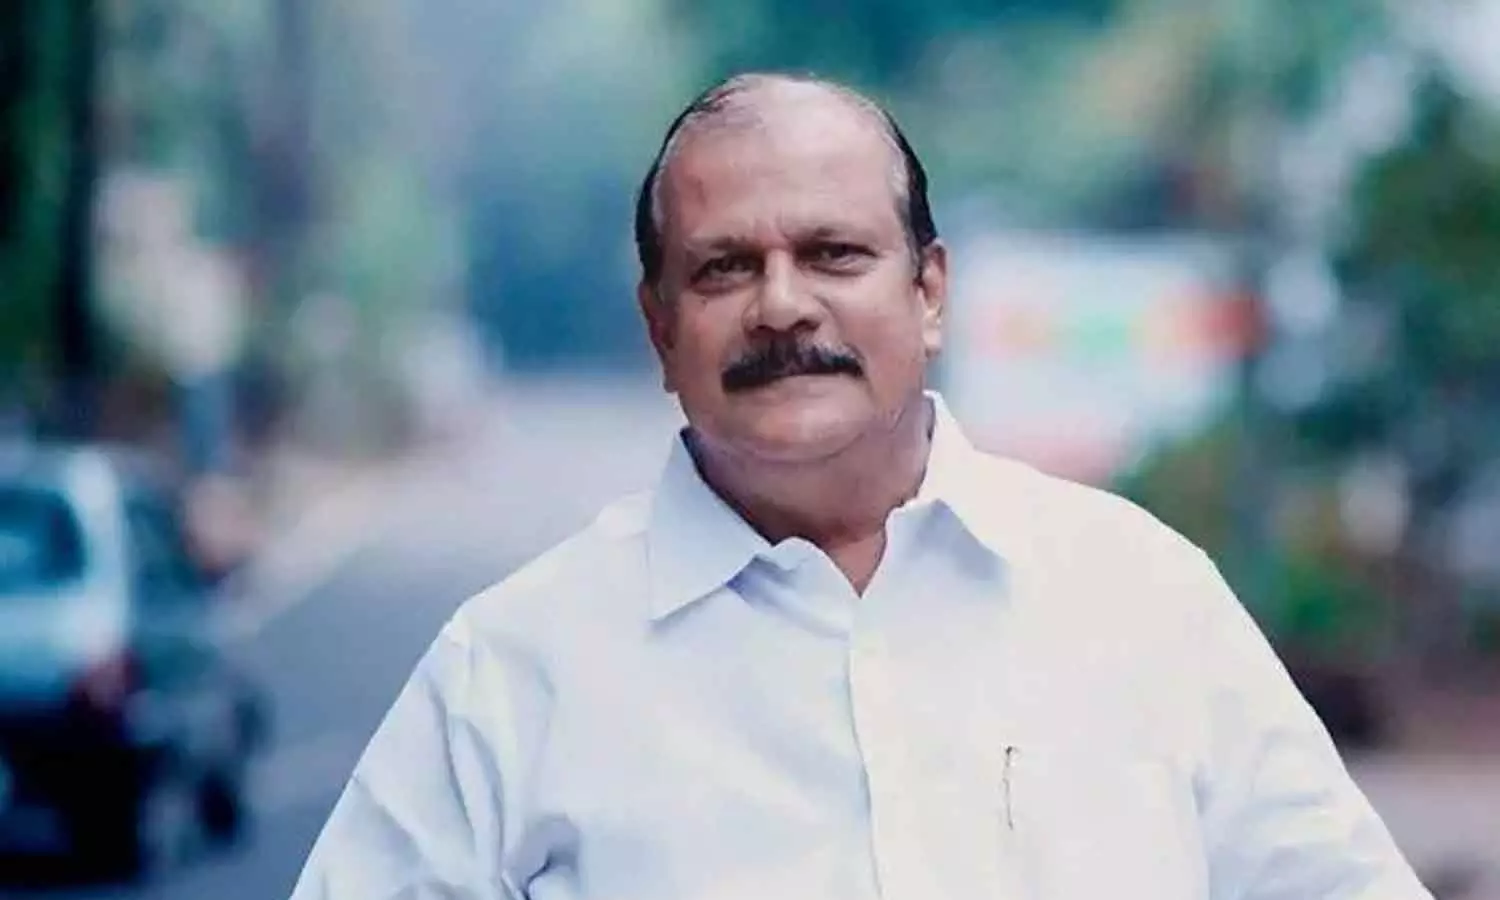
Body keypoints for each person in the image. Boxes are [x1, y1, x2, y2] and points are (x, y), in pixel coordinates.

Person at [289, 73, 1431, 900]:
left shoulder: (1141, 600)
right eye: (725, 267)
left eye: (834, 254)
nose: (783, 305)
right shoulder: (512, 669)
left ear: (929, 294)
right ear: (660, 327)